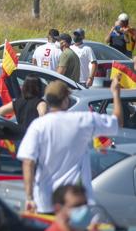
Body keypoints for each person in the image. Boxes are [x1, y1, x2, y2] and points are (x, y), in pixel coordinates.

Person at [17, 76, 123, 215]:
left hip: (45, 201)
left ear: (47, 101)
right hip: (75, 202)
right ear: (66, 100)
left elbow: (28, 162)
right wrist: (115, 94)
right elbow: (117, 122)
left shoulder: (38, 125)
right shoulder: (82, 120)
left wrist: (29, 197)